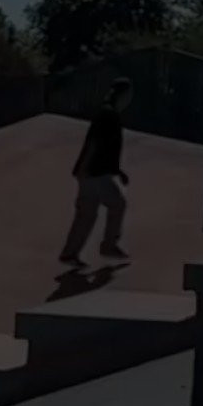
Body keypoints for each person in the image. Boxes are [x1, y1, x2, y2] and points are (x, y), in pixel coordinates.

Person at [59, 78, 133, 267]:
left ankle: (69, 254)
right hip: (94, 173)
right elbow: (94, 143)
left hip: (95, 172)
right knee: (116, 204)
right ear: (122, 96)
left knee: (87, 215)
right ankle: (108, 245)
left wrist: (118, 172)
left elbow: (106, 149)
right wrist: (84, 168)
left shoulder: (109, 114)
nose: (129, 101)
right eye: (128, 96)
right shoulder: (108, 115)